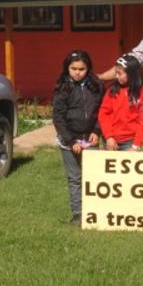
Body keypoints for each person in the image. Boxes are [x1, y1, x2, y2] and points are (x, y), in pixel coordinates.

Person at [52, 49, 103, 226]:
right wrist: (71, 140)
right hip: (69, 141)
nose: (77, 72)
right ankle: (78, 214)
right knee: (75, 179)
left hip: (91, 138)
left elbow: (101, 112)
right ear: (67, 68)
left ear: (88, 68)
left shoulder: (96, 86)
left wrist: (97, 131)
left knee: (94, 177)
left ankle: (96, 212)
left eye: (81, 69)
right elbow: (58, 117)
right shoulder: (63, 88)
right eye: (73, 68)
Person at [98, 54, 143, 151]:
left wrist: (136, 145)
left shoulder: (142, 93)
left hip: (130, 142)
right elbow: (103, 114)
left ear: (131, 74)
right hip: (111, 141)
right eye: (116, 73)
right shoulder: (112, 91)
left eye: (119, 73)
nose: (116, 76)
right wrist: (109, 136)